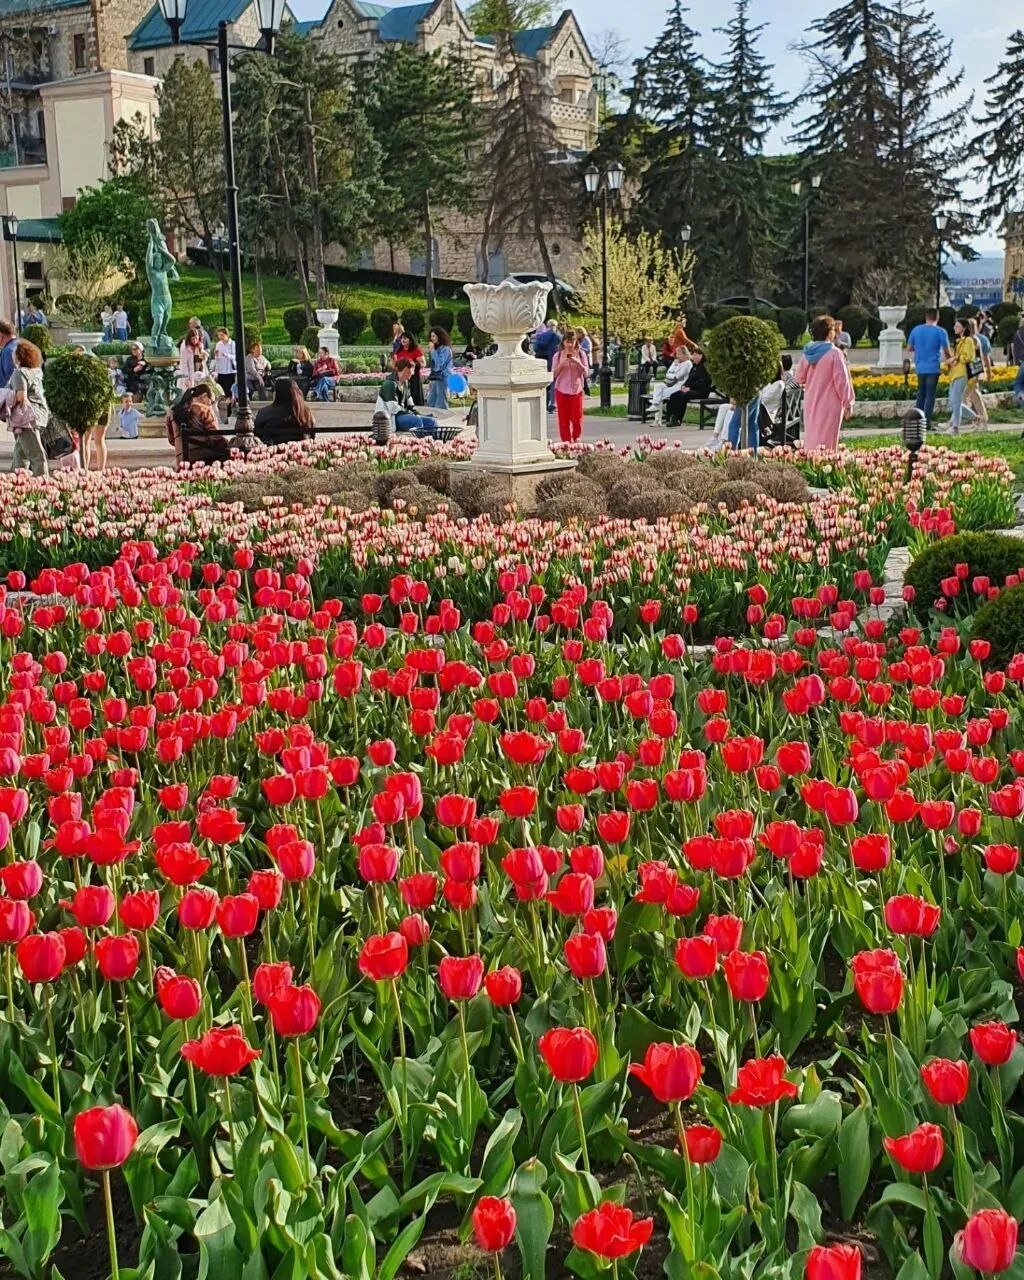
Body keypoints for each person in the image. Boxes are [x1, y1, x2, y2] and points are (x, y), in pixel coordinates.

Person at [794, 314, 855, 451]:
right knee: (827, 442)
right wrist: (848, 402)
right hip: (830, 404)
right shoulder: (834, 353)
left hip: (811, 401)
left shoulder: (807, 353)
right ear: (829, 332)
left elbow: (799, 378)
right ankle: (825, 469)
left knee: (812, 437)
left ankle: (811, 465)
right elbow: (842, 381)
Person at [7, 339, 49, 475]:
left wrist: (6, 396)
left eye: (14, 353)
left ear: (19, 356)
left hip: (26, 419)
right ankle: (15, 482)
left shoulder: (19, 373)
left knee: (37, 455)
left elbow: (21, 396)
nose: (12, 355)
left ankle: (43, 485)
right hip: (39, 416)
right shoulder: (36, 372)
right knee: (20, 453)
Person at [906, 308, 952, 428]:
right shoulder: (940, 331)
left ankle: (917, 421)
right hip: (933, 367)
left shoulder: (916, 330)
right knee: (930, 395)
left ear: (926, 317)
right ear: (937, 318)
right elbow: (947, 351)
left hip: (920, 367)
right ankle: (927, 423)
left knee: (920, 394)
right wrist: (951, 363)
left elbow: (909, 347)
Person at [166, 384, 229, 465]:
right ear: (204, 396)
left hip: (182, 460)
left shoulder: (171, 412)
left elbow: (171, 439)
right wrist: (228, 444)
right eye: (212, 401)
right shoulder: (204, 410)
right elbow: (215, 437)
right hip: (205, 457)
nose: (211, 405)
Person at [377, 358, 438, 437]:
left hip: (403, 415)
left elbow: (410, 405)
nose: (413, 373)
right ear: (405, 369)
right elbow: (393, 409)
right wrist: (412, 414)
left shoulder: (405, 383)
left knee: (431, 421)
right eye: (411, 370)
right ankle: (421, 444)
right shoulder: (389, 384)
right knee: (416, 420)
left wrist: (417, 414)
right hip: (392, 418)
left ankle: (433, 444)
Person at [255, 377, 317, 447]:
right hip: (300, 451)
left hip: (272, 452)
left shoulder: (264, 412)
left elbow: (256, 434)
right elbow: (312, 436)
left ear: (277, 393)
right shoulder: (305, 413)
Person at [551, 330, 588, 442]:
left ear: (576, 342)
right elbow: (553, 374)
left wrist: (577, 362)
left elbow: (586, 372)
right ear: (563, 342)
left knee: (577, 419)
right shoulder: (557, 356)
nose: (570, 345)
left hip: (576, 390)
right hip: (562, 389)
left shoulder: (581, 354)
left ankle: (576, 439)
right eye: (568, 342)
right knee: (563, 420)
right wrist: (563, 363)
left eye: (572, 341)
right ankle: (566, 443)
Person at [944, 318, 979, 435]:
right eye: (955, 326)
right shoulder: (960, 341)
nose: (955, 328)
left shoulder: (968, 340)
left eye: (957, 326)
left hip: (962, 374)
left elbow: (969, 357)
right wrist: (953, 360)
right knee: (954, 402)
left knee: (956, 402)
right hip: (955, 373)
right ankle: (976, 418)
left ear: (964, 328)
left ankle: (955, 427)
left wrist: (956, 358)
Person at [665, 347, 712, 425]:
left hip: (701, 391)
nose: (693, 356)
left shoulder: (703, 367)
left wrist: (690, 388)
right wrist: (684, 385)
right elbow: (689, 379)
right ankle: (671, 418)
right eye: (693, 354)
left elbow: (703, 382)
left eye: (695, 354)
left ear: (701, 356)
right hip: (692, 390)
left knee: (682, 395)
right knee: (674, 395)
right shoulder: (694, 367)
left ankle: (676, 419)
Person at [650, 346, 692, 426]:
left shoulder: (687, 363)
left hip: (680, 386)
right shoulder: (676, 362)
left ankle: (657, 420)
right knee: (658, 387)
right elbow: (668, 373)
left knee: (660, 394)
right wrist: (674, 366)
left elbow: (678, 376)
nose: (677, 356)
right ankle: (655, 408)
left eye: (679, 354)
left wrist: (676, 367)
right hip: (671, 383)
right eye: (677, 354)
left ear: (685, 354)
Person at [964, 318, 990, 427]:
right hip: (975, 368)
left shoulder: (972, 340)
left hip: (972, 368)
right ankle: (981, 419)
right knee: (974, 395)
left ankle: (978, 418)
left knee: (967, 395)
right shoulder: (975, 338)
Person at [532, 321, 561, 411]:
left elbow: (535, 348)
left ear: (547, 326)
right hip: (552, 360)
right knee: (553, 383)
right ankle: (552, 404)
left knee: (542, 382)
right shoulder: (557, 337)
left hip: (541, 360)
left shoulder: (540, 336)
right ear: (555, 326)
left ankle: (542, 404)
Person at [393, 331, 426, 404]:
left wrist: (412, 363)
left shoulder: (416, 349)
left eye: (405, 338)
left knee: (414, 399)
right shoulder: (399, 350)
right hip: (401, 377)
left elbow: (423, 363)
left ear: (410, 340)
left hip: (414, 378)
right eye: (401, 338)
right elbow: (395, 362)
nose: (402, 340)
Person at [426, 327, 454, 409]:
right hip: (435, 377)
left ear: (439, 336)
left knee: (441, 400)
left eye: (433, 336)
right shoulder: (436, 348)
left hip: (443, 376)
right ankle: (432, 415)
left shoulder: (445, 349)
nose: (432, 339)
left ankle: (442, 417)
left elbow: (439, 365)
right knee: (431, 399)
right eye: (431, 336)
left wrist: (432, 351)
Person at [211, 328, 236, 398]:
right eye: (219, 335)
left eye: (222, 335)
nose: (220, 337)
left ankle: (231, 404)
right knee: (222, 390)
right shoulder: (219, 344)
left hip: (229, 370)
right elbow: (217, 358)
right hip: (221, 370)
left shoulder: (232, 344)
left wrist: (226, 355)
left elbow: (235, 356)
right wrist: (216, 355)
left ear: (226, 334)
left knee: (229, 391)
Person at [1012, 316, 1024, 409]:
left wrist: (1016, 361)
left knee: (1018, 383)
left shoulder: (1017, 333)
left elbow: (1014, 348)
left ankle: (1021, 398)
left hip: (1022, 360)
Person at [0, 321, 17, 386]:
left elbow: (11, 380)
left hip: (7, 394)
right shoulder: (19, 344)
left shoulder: (8, 351)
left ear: (1, 335)